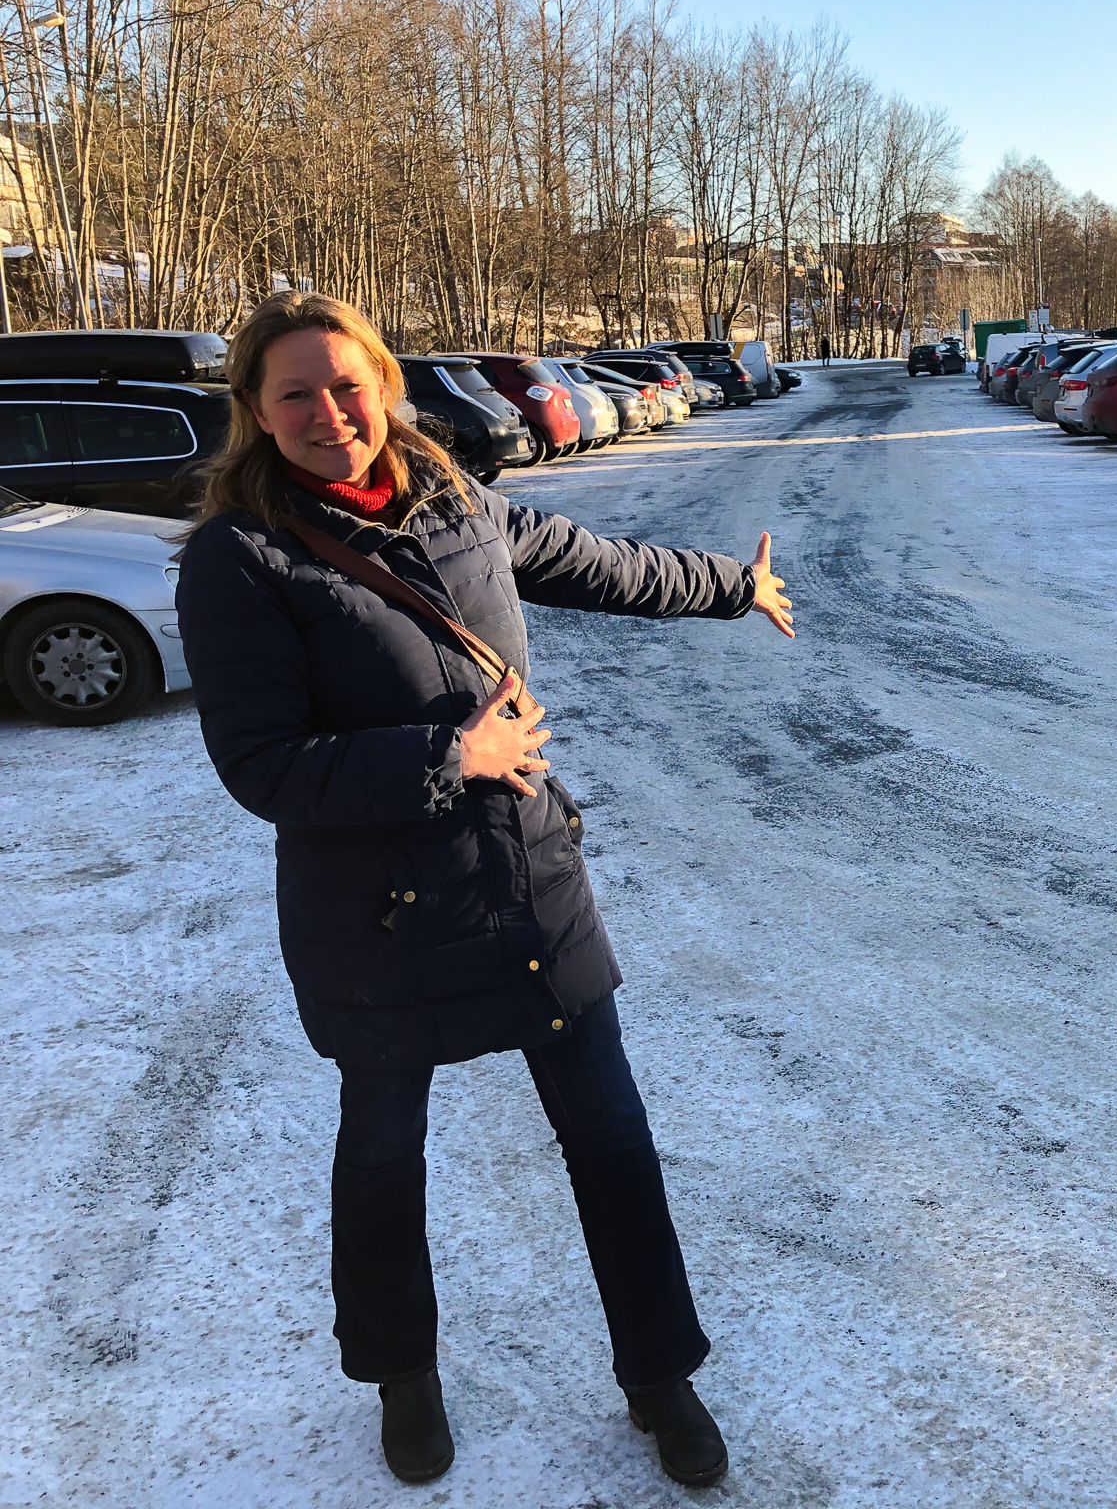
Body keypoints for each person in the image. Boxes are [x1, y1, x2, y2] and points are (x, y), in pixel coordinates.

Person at [176, 292, 795, 1489]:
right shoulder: (240, 556)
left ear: (383, 383)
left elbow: (586, 559)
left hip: (527, 881)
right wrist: (448, 756)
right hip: (376, 917)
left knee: (612, 1140)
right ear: (254, 408)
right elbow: (260, 765)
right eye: (295, 393)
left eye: (346, 384)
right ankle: (402, 1378)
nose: (327, 412)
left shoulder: (450, 495)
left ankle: (660, 1377)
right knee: (383, 1154)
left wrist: (728, 585)